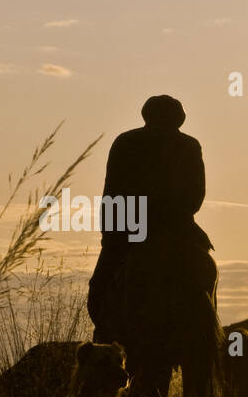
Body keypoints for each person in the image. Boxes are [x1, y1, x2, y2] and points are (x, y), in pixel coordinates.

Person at [87, 95, 215, 343]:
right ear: (180, 119)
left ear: (146, 115)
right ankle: (204, 342)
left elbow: (113, 192)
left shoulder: (126, 141)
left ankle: (105, 339)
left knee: (100, 291)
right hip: (179, 227)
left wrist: (110, 237)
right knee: (205, 274)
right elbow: (196, 195)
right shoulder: (190, 145)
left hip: (132, 228)